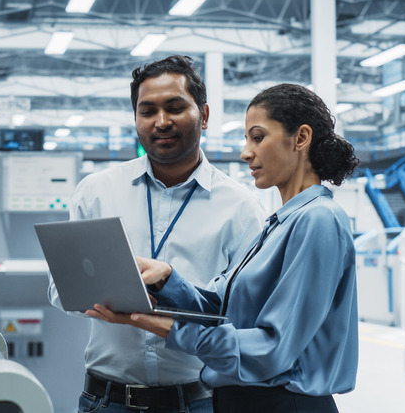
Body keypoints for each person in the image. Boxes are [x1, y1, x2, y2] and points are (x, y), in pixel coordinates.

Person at [87, 83, 360, 413]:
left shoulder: (318, 220)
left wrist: (159, 325)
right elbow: (223, 309)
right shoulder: (280, 223)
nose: (245, 152)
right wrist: (167, 280)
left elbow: (272, 349)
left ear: (300, 138)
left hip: (284, 403)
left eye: (257, 137)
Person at [48, 55, 267, 413]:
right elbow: (61, 289)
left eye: (175, 107)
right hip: (107, 401)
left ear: (205, 115)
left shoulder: (241, 208)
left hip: (199, 401)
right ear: (135, 119)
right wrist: (111, 295)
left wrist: (173, 301)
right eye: (147, 111)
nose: (161, 122)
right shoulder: (97, 191)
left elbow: (244, 316)